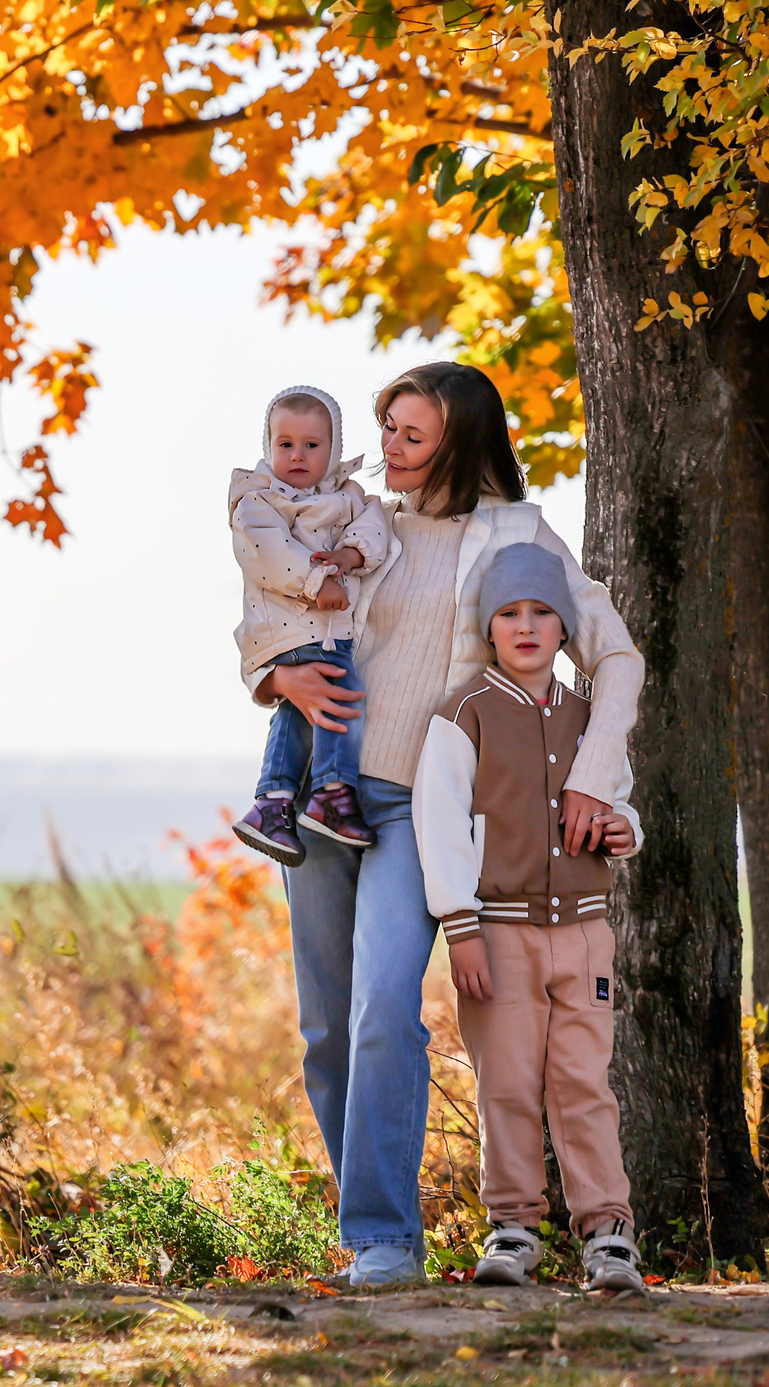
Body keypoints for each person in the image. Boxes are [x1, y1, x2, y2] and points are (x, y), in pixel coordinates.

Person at [251, 361, 643, 1286]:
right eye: (385, 426)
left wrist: (593, 780)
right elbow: (263, 608)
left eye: (409, 433)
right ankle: (373, 1234)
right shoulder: (354, 516)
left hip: (414, 813)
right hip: (317, 789)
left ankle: (384, 1239)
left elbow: (616, 656)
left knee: (385, 1008)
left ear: (458, 440)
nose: (385, 447)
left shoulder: (517, 535)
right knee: (326, 1029)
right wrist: (275, 677)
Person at [416, 543, 648, 1294]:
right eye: (509, 613)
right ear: (489, 627)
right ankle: (513, 1225)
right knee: (508, 1083)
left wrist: (624, 830)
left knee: (584, 1082)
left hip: (584, 935)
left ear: (563, 628)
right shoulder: (464, 715)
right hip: (500, 933)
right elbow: (440, 823)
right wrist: (461, 925)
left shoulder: (592, 718)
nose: (525, 625)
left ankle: (608, 1231)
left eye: (541, 612)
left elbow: (620, 799)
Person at [229, 386, 391, 866]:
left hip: (329, 631)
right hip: (287, 628)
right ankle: (331, 792)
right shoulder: (258, 500)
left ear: (334, 449)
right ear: (268, 446)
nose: (297, 456)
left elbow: (374, 528)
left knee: (303, 710)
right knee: (338, 699)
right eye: (285, 444)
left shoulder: (348, 495)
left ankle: (273, 802)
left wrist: (349, 554)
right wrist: (318, 579)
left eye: (312, 446)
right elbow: (266, 553)